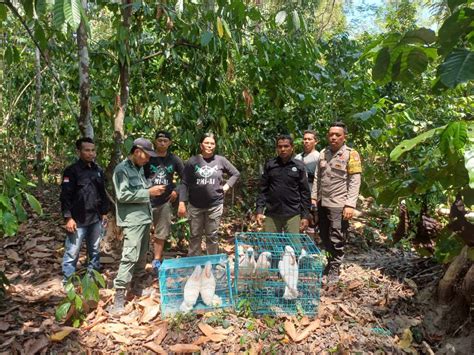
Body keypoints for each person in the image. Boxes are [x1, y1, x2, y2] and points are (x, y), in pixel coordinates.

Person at [111, 138, 165, 314]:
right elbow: (123, 195)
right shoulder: (122, 170)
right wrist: (148, 192)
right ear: (136, 152)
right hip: (132, 219)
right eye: (146, 156)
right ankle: (119, 296)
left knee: (141, 255)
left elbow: (139, 190)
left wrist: (152, 188)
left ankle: (137, 286)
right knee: (130, 255)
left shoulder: (139, 168)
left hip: (143, 218)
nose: (148, 160)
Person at [311, 122, 362, 283]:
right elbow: (317, 177)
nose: (333, 137)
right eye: (331, 134)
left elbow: (355, 180)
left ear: (344, 137)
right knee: (323, 234)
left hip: (339, 203)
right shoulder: (323, 154)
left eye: (337, 135)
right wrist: (313, 197)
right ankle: (329, 261)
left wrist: (350, 205)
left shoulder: (351, 154)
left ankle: (335, 266)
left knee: (337, 235)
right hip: (322, 202)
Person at [178, 133, 240, 256]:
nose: (209, 146)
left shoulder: (220, 160)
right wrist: (181, 202)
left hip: (214, 205)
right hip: (195, 205)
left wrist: (227, 185)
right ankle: (194, 262)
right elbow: (184, 182)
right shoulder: (193, 161)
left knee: (212, 235)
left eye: (212, 143)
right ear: (201, 145)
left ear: (215, 146)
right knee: (195, 235)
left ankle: (211, 262)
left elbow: (235, 173)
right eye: (207, 143)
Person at [60, 137, 110, 285]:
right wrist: (68, 218)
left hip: (94, 218)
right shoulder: (71, 171)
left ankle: (91, 281)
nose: (90, 153)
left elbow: (102, 193)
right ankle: (68, 283)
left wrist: (104, 212)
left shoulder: (98, 170)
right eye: (87, 150)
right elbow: (65, 196)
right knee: (72, 253)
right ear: (79, 151)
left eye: (93, 150)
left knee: (94, 251)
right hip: (77, 220)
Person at [144, 130, 184, 273]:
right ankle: (141, 261)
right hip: (145, 201)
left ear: (170, 143)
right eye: (159, 140)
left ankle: (156, 260)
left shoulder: (174, 159)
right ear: (155, 141)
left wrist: (176, 190)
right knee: (143, 231)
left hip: (165, 202)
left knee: (161, 233)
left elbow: (185, 178)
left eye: (165, 141)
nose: (162, 143)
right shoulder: (147, 157)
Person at [256, 134, 311, 234]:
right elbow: (263, 190)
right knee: (271, 246)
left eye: (286, 146)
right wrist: (259, 211)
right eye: (280, 146)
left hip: (293, 213)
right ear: (277, 148)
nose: (283, 149)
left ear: (292, 148)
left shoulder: (299, 166)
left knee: (294, 247)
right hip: (272, 213)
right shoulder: (270, 165)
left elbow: (305, 192)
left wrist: (305, 216)